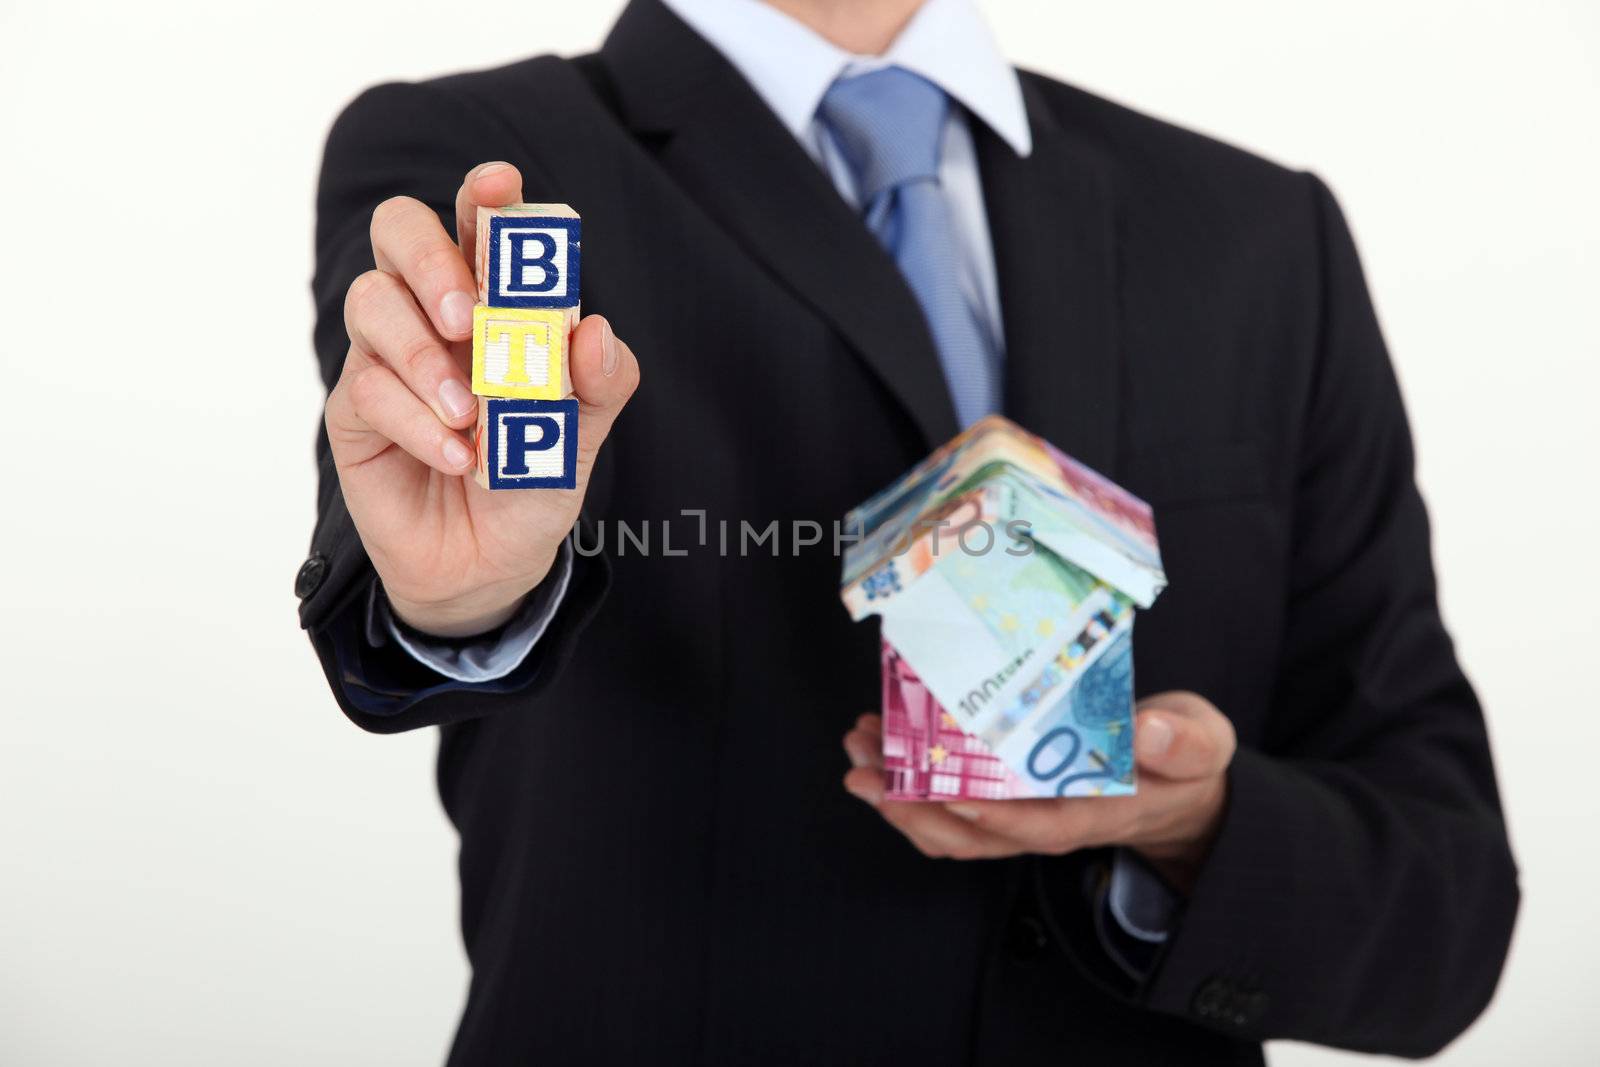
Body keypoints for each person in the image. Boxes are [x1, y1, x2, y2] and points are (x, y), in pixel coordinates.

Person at [297, 0, 1519, 1062]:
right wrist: (461, 603)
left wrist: (1189, 826)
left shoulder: (1259, 236)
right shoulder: (476, 167)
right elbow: (417, 521)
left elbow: (1446, 905)